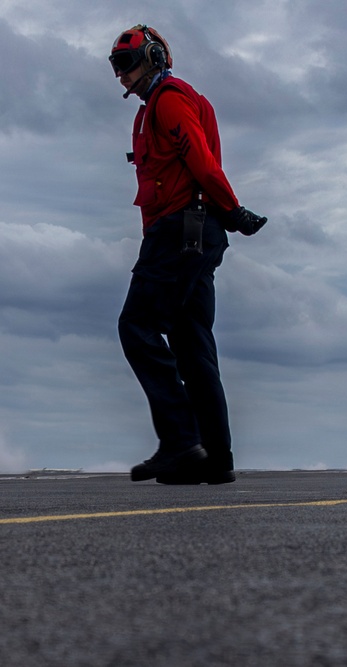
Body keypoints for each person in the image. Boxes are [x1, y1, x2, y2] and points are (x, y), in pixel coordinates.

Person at [109, 25, 267, 483]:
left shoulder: (169, 99)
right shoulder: (164, 104)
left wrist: (232, 207)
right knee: (192, 345)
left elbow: (199, 157)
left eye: (128, 64)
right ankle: (215, 458)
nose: (122, 77)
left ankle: (180, 439)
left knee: (136, 326)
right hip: (199, 231)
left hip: (181, 229)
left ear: (155, 56)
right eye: (116, 68)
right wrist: (226, 215)